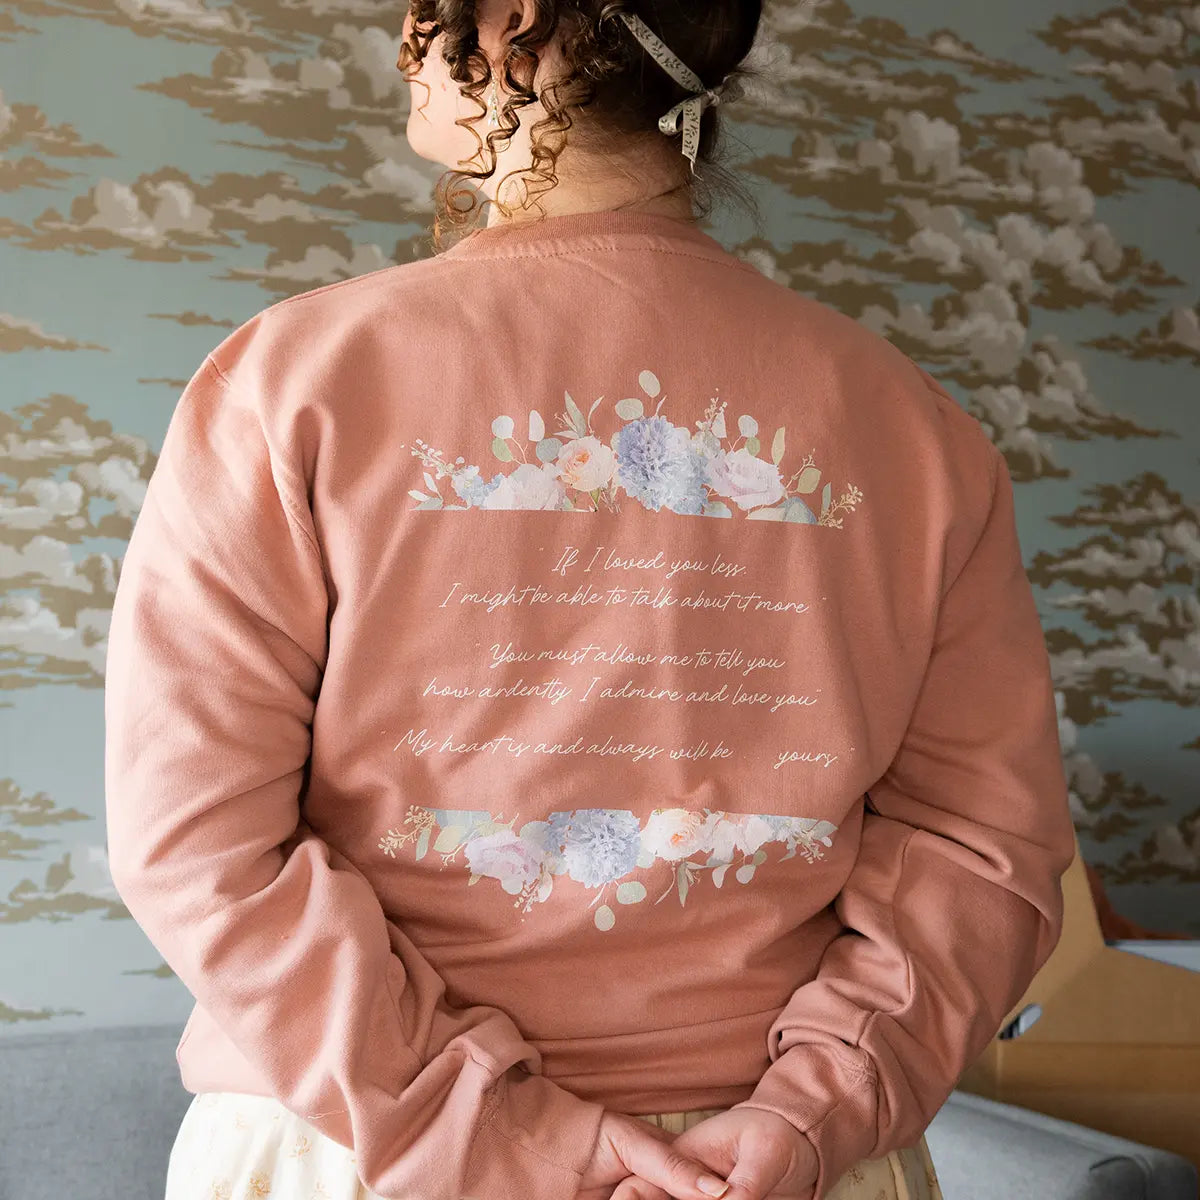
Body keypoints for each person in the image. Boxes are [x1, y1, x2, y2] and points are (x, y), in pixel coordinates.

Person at [102, 2, 1079, 1199]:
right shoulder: (917, 431)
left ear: (509, 17)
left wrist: (500, 1131)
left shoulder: (289, 385)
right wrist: (813, 1111)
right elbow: (984, 853)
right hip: (772, 1169)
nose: (401, 36)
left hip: (363, 1154)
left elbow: (200, 843)